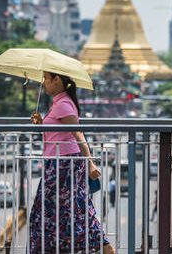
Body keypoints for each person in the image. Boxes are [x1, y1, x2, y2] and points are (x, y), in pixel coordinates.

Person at [29, 71, 114, 254]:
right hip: (58, 163)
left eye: (46, 78)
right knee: (71, 211)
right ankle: (103, 246)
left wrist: (90, 163)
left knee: (54, 212)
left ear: (57, 80)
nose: (44, 82)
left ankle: (104, 245)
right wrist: (41, 123)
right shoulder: (59, 103)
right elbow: (59, 133)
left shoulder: (64, 104)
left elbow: (78, 134)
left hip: (65, 165)